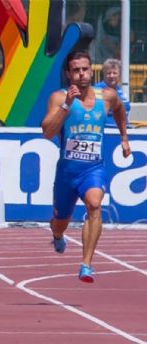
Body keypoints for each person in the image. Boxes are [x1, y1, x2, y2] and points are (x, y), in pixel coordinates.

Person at [41, 51, 131, 283]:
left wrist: (124, 137)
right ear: (68, 74)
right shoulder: (59, 98)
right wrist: (67, 106)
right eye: (76, 70)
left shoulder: (107, 96)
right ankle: (57, 234)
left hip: (93, 169)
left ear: (92, 70)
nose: (81, 74)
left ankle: (86, 264)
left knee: (94, 204)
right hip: (67, 172)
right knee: (60, 223)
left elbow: (120, 109)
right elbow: (47, 131)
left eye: (85, 69)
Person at [93, 58, 131, 128]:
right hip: (107, 131)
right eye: (108, 73)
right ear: (104, 74)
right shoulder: (97, 89)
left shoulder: (120, 90)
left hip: (123, 131)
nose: (112, 76)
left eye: (115, 73)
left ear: (119, 74)